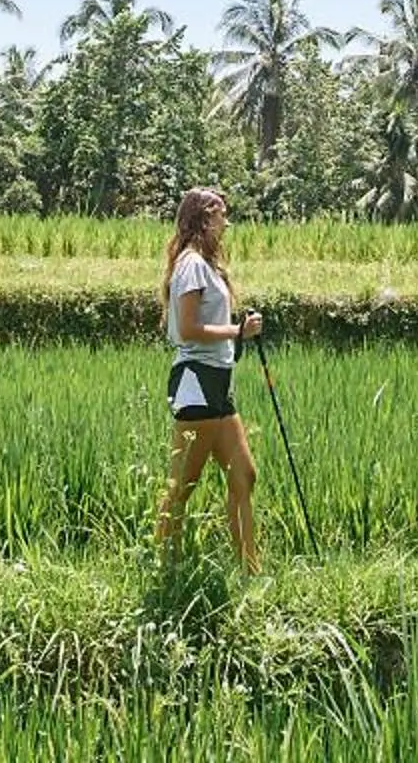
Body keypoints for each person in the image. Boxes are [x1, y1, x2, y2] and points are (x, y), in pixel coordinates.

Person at [154, 187, 264, 571]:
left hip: (219, 384)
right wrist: (238, 331)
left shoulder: (206, 264)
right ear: (203, 219)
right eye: (221, 216)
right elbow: (188, 328)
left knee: (244, 476)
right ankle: (167, 567)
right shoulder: (191, 265)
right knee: (181, 486)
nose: (226, 224)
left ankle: (250, 569)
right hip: (196, 384)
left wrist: (238, 332)